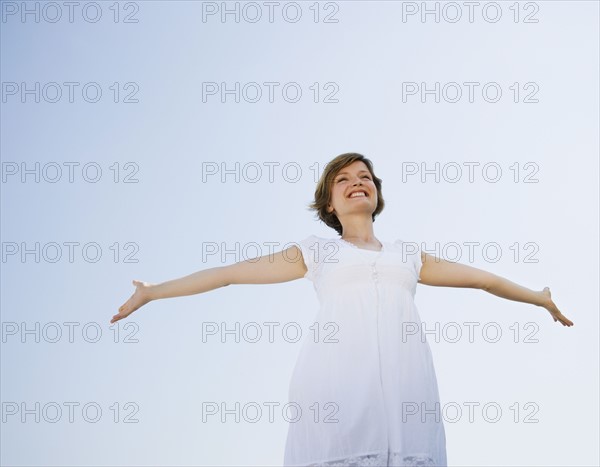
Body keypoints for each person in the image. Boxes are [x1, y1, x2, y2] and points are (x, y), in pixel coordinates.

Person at [111, 152, 573, 467]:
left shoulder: (407, 255)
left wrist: (539, 297)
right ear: (329, 203)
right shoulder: (316, 252)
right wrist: (153, 291)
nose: (357, 183)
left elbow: (483, 280)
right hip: (335, 389)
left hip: (407, 392)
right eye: (344, 179)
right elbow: (228, 273)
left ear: (376, 195)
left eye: (365, 177)